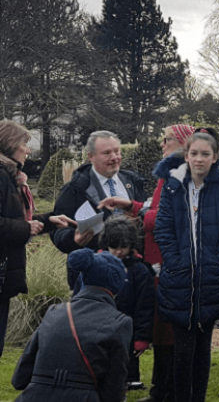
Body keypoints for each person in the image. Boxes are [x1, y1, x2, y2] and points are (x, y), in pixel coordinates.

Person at [154, 128, 219, 402]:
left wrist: (217, 259)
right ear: (186, 155)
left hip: (211, 278)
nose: (199, 159)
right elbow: (163, 227)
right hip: (179, 278)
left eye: (205, 154)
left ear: (215, 157)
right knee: (182, 352)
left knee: (202, 351)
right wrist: (174, 259)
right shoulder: (172, 184)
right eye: (194, 153)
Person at [12, 248, 132, 402]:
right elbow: (113, 388)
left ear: (83, 279)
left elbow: (20, 377)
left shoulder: (54, 311)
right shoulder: (120, 322)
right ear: (117, 286)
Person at [0, 120, 75, 358]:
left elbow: (17, 221)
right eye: (24, 143)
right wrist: (25, 228)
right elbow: (16, 225)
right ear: (10, 144)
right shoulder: (2, 176)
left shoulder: (11, 176)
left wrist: (49, 221)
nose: (28, 149)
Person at [137, 123, 195, 402]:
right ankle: (161, 389)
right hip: (160, 261)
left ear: (183, 142)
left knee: (169, 330)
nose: (162, 144)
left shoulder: (180, 175)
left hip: (169, 262)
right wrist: (132, 206)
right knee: (162, 328)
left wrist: (142, 215)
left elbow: (165, 218)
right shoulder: (169, 173)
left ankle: (167, 390)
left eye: (167, 139)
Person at [51, 130, 147, 287]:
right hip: (91, 277)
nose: (114, 157)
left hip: (133, 276)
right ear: (91, 156)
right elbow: (57, 230)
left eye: (117, 151)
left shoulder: (134, 181)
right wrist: (73, 239)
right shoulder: (75, 189)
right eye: (107, 153)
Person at [96, 215, 155, 393]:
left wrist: (142, 337)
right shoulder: (97, 266)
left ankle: (129, 381)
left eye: (124, 246)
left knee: (127, 359)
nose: (118, 252)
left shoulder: (140, 271)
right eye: (114, 247)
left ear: (131, 245)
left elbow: (145, 306)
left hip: (128, 327)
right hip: (101, 326)